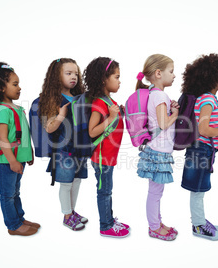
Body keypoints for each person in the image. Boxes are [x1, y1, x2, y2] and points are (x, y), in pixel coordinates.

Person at [0, 61, 39, 236]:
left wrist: (29, 152)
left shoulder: (16, 108)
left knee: (15, 192)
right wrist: (12, 161)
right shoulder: (1, 111)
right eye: (15, 84)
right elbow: (2, 139)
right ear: (1, 88)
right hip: (7, 161)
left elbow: (23, 134)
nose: (19, 88)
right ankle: (13, 225)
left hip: (19, 159)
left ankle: (19, 218)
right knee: (8, 194)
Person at [181, 54, 218, 241]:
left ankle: (199, 220)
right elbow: (203, 129)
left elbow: (205, 122)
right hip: (202, 149)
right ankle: (198, 225)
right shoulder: (208, 100)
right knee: (198, 190)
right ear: (214, 78)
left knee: (199, 189)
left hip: (201, 150)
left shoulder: (207, 99)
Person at [38, 58, 88, 231]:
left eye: (76, 73)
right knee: (66, 183)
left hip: (80, 148)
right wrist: (61, 115)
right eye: (68, 73)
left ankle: (72, 211)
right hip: (63, 150)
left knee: (77, 182)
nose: (73, 77)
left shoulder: (79, 97)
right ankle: (67, 216)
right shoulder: (53, 99)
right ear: (56, 76)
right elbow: (49, 128)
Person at [85, 57, 130, 238]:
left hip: (109, 157)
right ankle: (105, 226)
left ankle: (110, 220)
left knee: (107, 191)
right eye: (117, 77)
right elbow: (92, 131)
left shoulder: (108, 101)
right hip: (102, 159)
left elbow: (111, 127)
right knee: (104, 192)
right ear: (104, 79)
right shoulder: (99, 103)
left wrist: (119, 115)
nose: (120, 81)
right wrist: (111, 118)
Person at [136, 54, 180, 241]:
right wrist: (176, 113)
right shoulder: (160, 94)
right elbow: (163, 123)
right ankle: (154, 227)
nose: (174, 75)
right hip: (158, 151)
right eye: (171, 71)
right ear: (159, 73)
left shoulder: (154, 94)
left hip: (155, 149)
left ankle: (157, 222)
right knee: (155, 192)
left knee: (156, 191)